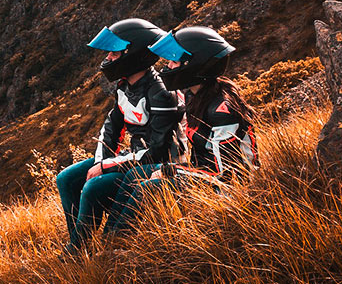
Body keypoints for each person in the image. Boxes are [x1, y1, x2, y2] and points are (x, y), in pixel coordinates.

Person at [104, 26, 259, 233]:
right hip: (205, 175)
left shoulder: (222, 111)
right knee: (137, 175)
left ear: (196, 65)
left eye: (174, 62)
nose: (168, 66)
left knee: (146, 187)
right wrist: (176, 170)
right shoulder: (194, 96)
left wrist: (174, 171)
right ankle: (111, 236)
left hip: (230, 189)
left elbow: (229, 176)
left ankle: (118, 239)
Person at [55, 18, 185, 256]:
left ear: (134, 54)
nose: (108, 58)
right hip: (132, 158)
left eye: (114, 53)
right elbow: (111, 127)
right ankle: (79, 244)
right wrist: (100, 161)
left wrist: (107, 166)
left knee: (93, 186)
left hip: (154, 163)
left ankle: (78, 250)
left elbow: (158, 151)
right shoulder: (124, 86)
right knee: (66, 178)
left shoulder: (161, 93)